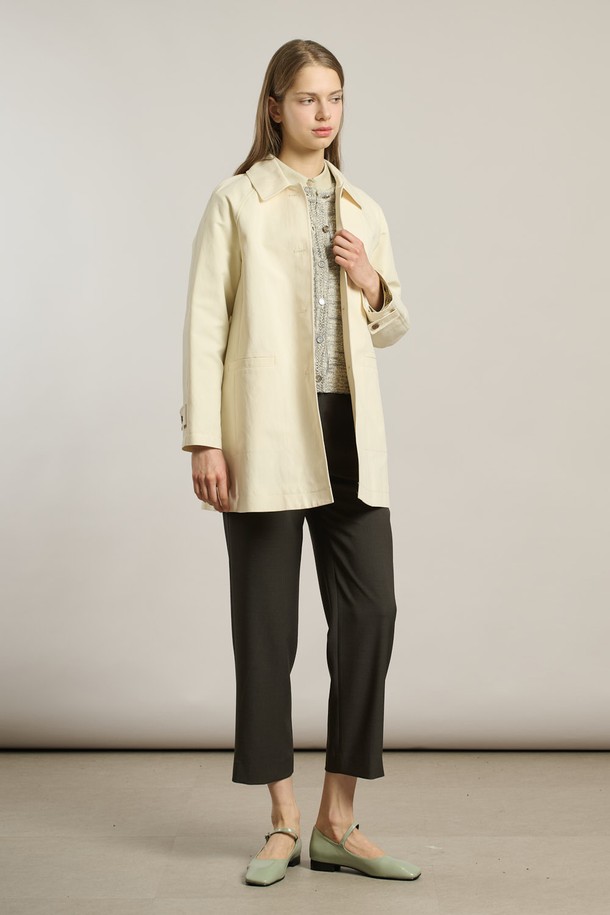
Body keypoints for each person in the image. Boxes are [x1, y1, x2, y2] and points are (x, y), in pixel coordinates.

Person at [180, 38, 421, 887]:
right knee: (266, 628)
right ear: (275, 106)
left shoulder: (362, 206)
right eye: (308, 97)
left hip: (348, 428)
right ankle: (283, 819)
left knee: (371, 613)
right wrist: (205, 437)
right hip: (265, 429)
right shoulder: (238, 199)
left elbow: (392, 324)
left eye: (336, 97)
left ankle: (336, 821)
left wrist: (373, 282)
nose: (324, 113)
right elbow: (205, 322)